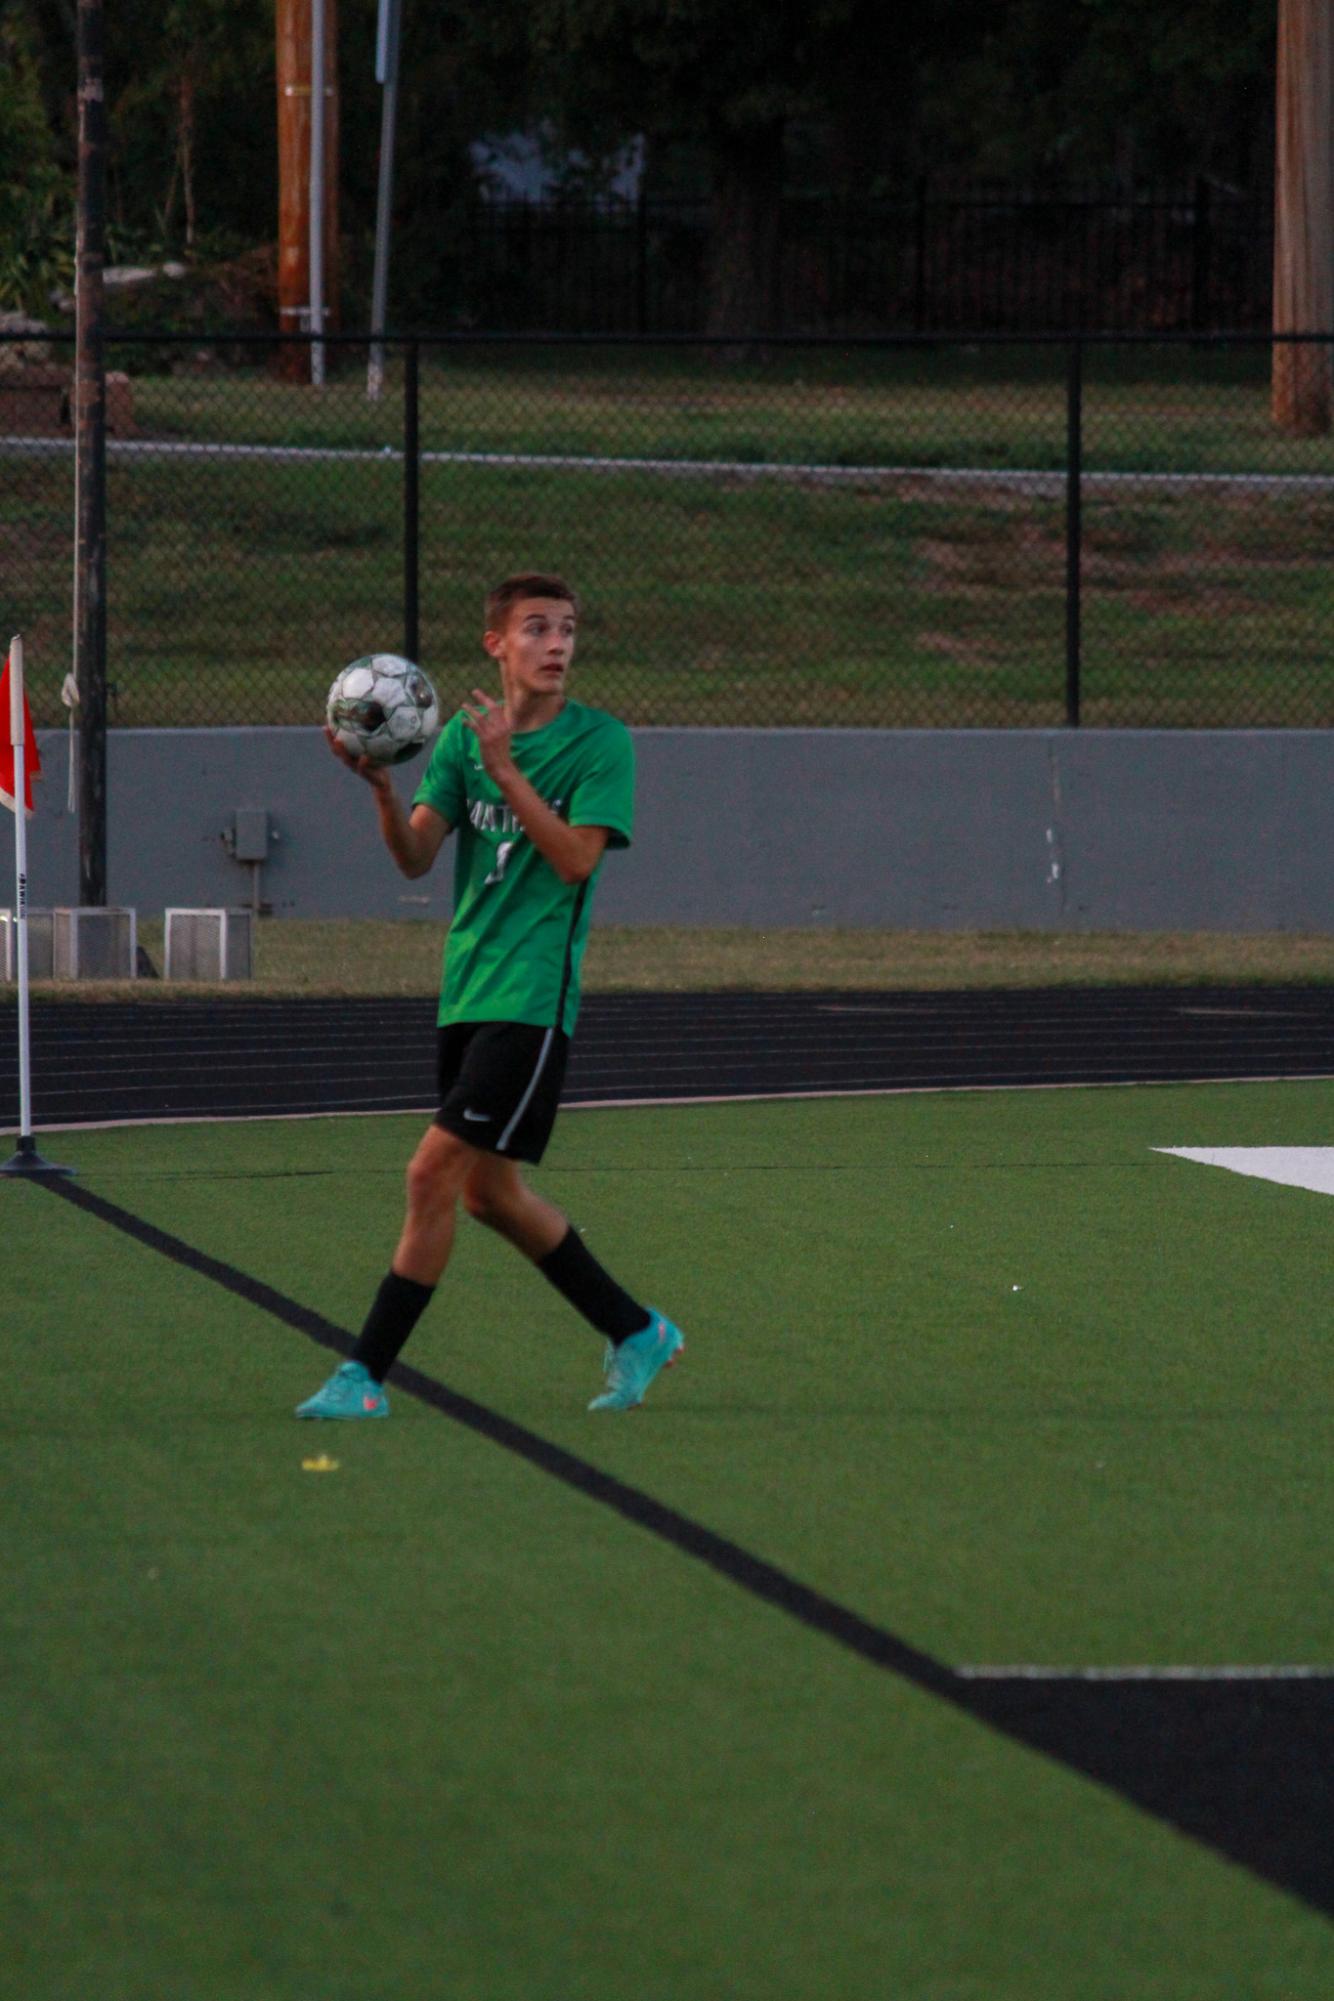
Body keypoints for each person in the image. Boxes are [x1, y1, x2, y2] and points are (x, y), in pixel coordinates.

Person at [296, 573, 684, 1419]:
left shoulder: (599, 744)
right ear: (496, 645)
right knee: (488, 1194)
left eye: (569, 630)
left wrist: (508, 772)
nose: (557, 645)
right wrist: (382, 791)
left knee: (431, 1170)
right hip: (467, 990)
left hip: (533, 998)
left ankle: (363, 1375)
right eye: (537, 629)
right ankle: (635, 1329)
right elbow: (414, 858)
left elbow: (577, 861)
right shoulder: (465, 742)